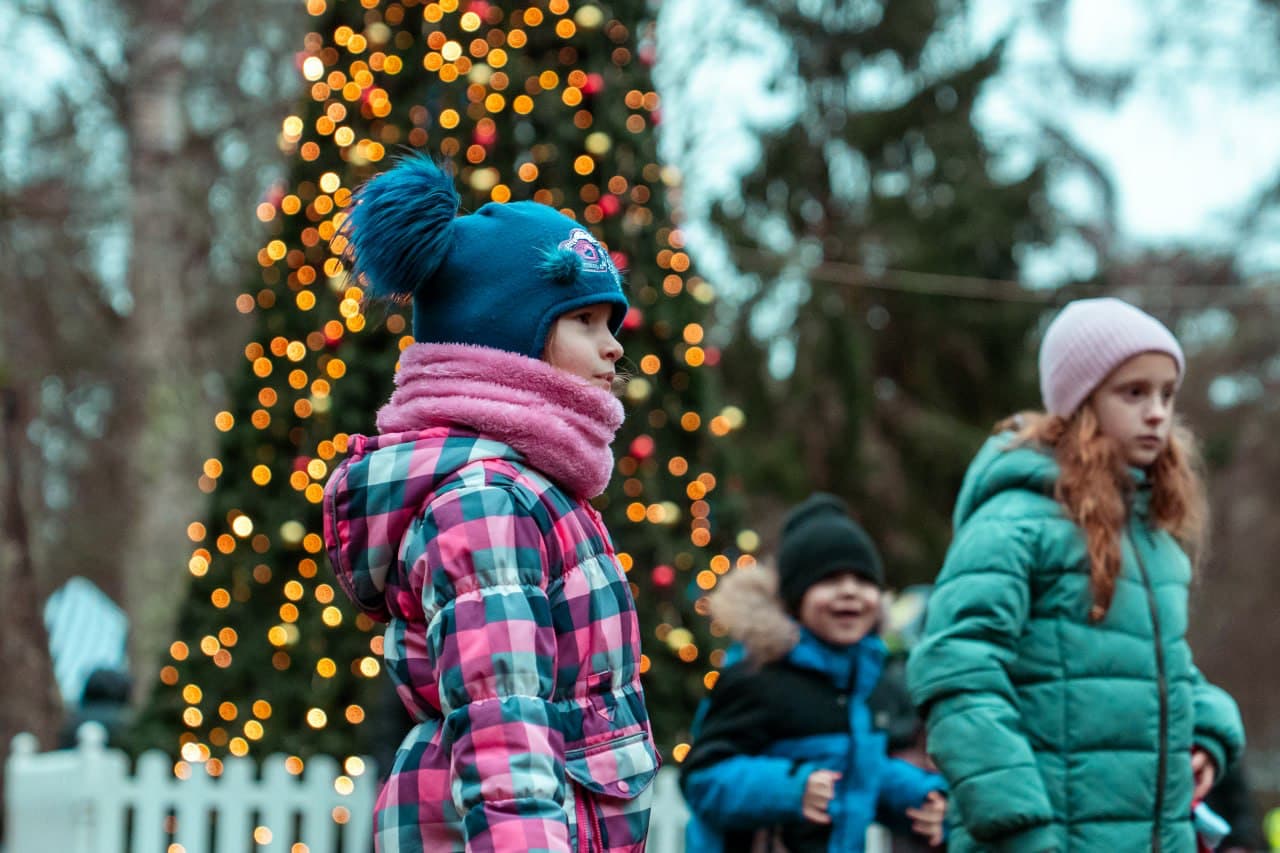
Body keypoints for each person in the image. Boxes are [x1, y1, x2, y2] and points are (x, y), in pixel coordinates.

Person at [323, 155, 657, 852]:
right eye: (584, 320)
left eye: (611, 322)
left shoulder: (535, 490)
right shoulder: (488, 503)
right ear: (507, 336)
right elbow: (503, 724)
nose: (612, 347)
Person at [906, 297, 1245, 852]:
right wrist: (1019, 827)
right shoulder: (1014, 522)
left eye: (1167, 393)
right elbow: (956, 670)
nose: (1157, 412)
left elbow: (1156, 665)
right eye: (1133, 392)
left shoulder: (1153, 538)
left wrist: (1207, 726)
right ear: (1080, 401)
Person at [681, 493, 947, 852]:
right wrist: (789, 788)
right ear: (796, 598)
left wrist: (924, 798)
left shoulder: (867, 681)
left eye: (863, 579)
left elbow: (863, 770)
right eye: (829, 579)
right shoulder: (759, 677)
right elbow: (702, 779)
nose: (849, 591)